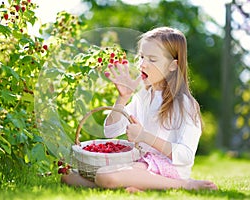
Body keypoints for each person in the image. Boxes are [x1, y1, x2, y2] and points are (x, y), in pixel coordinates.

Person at [61, 27, 218, 192]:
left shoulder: (184, 104)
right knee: (68, 175)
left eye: (152, 59)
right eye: (142, 57)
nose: (143, 64)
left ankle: (186, 185)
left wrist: (145, 136)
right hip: (139, 164)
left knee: (105, 176)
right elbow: (111, 131)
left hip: (168, 170)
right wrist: (123, 97)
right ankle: (131, 186)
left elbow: (185, 156)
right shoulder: (142, 97)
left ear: (173, 66)